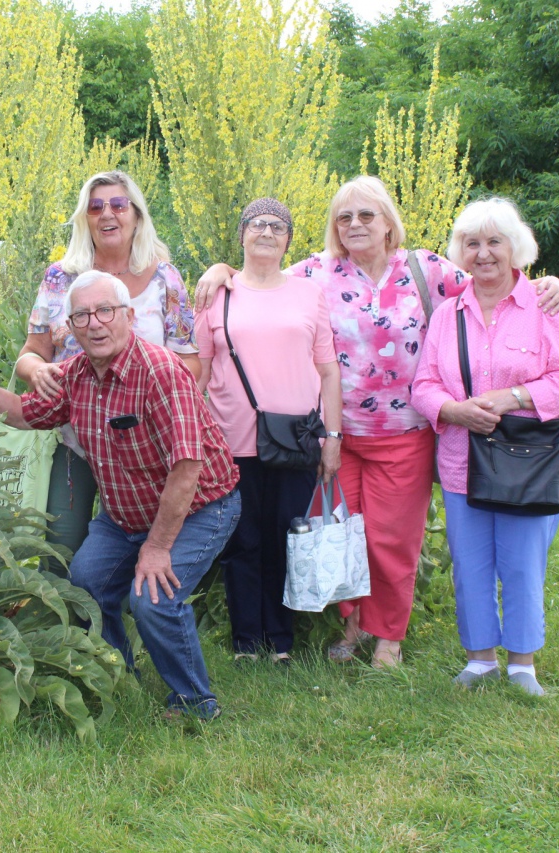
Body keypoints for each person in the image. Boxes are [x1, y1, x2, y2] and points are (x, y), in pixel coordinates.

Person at [195, 176, 559, 668]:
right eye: (344, 217)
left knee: (392, 539)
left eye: (366, 215)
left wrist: (545, 282)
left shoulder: (426, 269)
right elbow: (261, 279)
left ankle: (388, 635)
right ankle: (351, 625)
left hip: (405, 432)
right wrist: (220, 268)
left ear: (389, 222)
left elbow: (490, 281)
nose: (354, 225)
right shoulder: (317, 274)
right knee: (344, 534)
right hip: (335, 436)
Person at [0, 271, 240, 720]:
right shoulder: (76, 377)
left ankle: (195, 702)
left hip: (200, 508)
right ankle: (121, 676)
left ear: (129, 317)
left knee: (154, 599)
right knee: (86, 584)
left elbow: (187, 468)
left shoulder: (161, 372)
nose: (95, 324)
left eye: (105, 312)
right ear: (70, 328)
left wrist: (157, 547)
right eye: (82, 316)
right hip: (125, 518)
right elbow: (20, 412)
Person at [411, 198, 559, 696]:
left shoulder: (545, 305)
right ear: (460, 252)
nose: (483, 253)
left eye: (494, 242)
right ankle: (480, 658)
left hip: (530, 461)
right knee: (470, 562)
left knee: (522, 562)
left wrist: (514, 397)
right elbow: (424, 384)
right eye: (472, 243)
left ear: (515, 249)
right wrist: (452, 410)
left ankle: (522, 664)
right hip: (463, 458)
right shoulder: (447, 315)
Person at [16, 171, 198, 575]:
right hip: (76, 438)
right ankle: (66, 631)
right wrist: (37, 371)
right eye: (95, 207)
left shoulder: (164, 278)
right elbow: (29, 354)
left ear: (136, 215)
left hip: (146, 443)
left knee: (145, 544)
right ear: (85, 218)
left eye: (118, 205)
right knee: (62, 544)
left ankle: (135, 625)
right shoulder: (60, 276)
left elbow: (190, 361)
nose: (107, 214)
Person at [195, 198, 343, 664]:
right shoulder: (216, 292)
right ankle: (245, 642)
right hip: (229, 439)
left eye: (277, 226)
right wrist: (195, 438)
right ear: (241, 234)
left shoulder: (308, 294)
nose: (266, 232)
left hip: (295, 439)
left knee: (285, 538)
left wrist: (333, 438)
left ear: (288, 241)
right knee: (241, 541)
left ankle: (280, 641)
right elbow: (198, 372)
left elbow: (329, 371)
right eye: (256, 224)